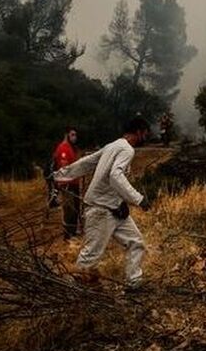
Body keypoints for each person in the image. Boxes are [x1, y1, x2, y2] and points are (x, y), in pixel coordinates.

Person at [53, 117, 152, 289]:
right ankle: (72, 293)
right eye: (145, 134)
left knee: (136, 243)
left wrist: (59, 175)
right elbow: (115, 176)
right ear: (139, 132)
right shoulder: (127, 149)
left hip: (114, 209)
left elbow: (87, 163)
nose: (145, 137)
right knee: (90, 256)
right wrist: (138, 199)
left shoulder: (112, 145)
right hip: (100, 210)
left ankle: (134, 284)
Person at [52, 127, 82, 239]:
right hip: (67, 184)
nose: (75, 137)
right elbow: (64, 167)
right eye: (72, 135)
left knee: (75, 208)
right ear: (66, 135)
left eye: (75, 135)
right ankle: (68, 235)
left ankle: (73, 232)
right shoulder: (64, 148)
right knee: (69, 208)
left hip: (74, 182)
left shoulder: (71, 148)